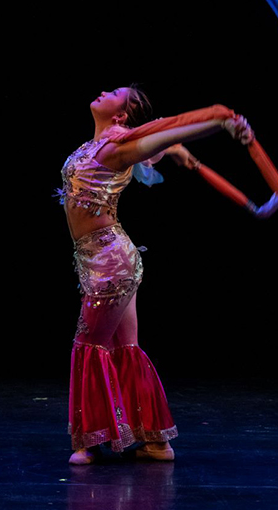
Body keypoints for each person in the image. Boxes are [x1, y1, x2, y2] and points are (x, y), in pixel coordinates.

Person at [55, 84, 253, 465]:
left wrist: (218, 121)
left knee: (89, 345)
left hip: (109, 264)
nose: (102, 90)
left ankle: (88, 443)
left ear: (121, 115)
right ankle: (156, 442)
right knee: (126, 349)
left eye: (114, 92)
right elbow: (162, 142)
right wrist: (178, 154)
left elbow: (168, 129)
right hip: (103, 258)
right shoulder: (104, 145)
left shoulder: (120, 147)